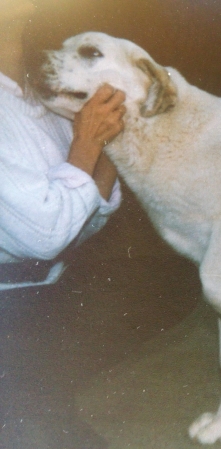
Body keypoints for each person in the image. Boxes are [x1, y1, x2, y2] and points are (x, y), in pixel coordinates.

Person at [0, 1, 126, 447]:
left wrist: (110, 141)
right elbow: (45, 233)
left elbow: (81, 216)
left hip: (48, 293)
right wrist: (89, 140)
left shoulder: (32, 90)